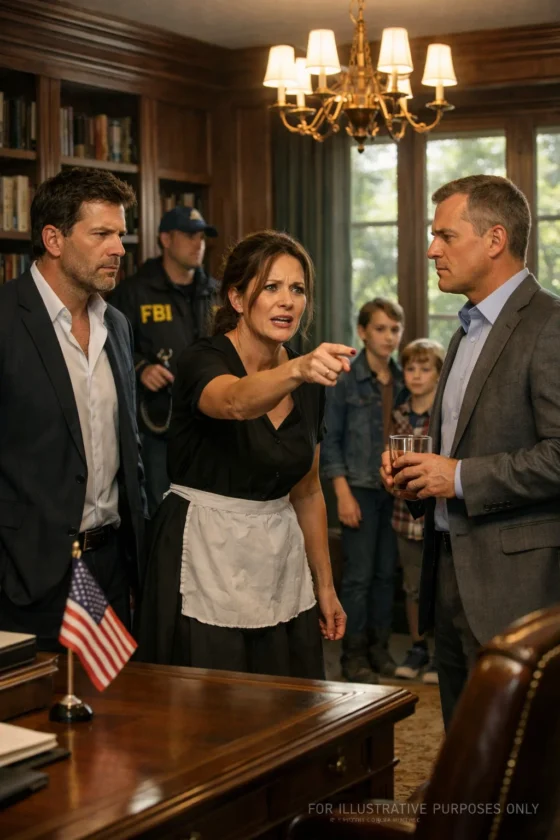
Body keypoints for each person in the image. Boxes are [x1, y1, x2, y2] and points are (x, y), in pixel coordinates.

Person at [381, 174, 560, 729]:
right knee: (466, 745)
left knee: (524, 752)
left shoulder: (550, 324)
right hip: (450, 576)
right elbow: (455, 450)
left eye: (445, 236)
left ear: (494, 239)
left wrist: (456, 477)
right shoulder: (464, 332)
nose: (432, 249)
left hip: (517, 588)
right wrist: (417, 478)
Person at [136, 230, 349, 677]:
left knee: (285, 698)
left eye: (297, 289)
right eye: (271, 287)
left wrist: (326, 586)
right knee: (208, 700)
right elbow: (233, 401)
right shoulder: (202, 359)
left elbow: (308, 491)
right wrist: (298, 369)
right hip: (202, 557)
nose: (287, 301)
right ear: (236, 298)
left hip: (278, 560)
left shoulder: (308, 381)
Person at [0, 167, 147, 649]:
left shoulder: (116, 325)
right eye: (102, 234)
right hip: (25, 575)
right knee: (35, 699)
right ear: (54, 240)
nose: (119, 248)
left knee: (114, 696)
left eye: (120, 234)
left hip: (110, 567)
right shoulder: (5, 319)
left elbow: (129, 451)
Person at [109, 206, 218, 515]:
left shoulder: (215, 292)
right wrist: (141, 368)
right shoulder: (134, 292)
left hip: (211, 426)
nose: (198, 244)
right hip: (158, 427)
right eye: (189, 236)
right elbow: (109, 347)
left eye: (202, 237)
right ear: (165, 239)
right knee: (161, 513)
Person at [321, 299, 404, 684]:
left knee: (387, 574)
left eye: (395, 329)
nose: (389, 337)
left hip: (395, 490)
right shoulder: (345, 380)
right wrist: (342, 493)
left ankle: (379, 649)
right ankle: (352, 656)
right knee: (358, 576)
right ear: (362, 332)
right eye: (381, 329)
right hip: (358, 488)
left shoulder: (402, 380)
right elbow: (330, 440)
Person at [390, 339, 445, 684]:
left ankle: (441, 653)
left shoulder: (444, 413)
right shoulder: (398, 412)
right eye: (411, 368)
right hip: (403, 514)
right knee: (412, 586)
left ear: (439, 374)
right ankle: (418, 646)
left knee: (439, 586)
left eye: (425, 369)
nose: (417, 375)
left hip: (437, 514)